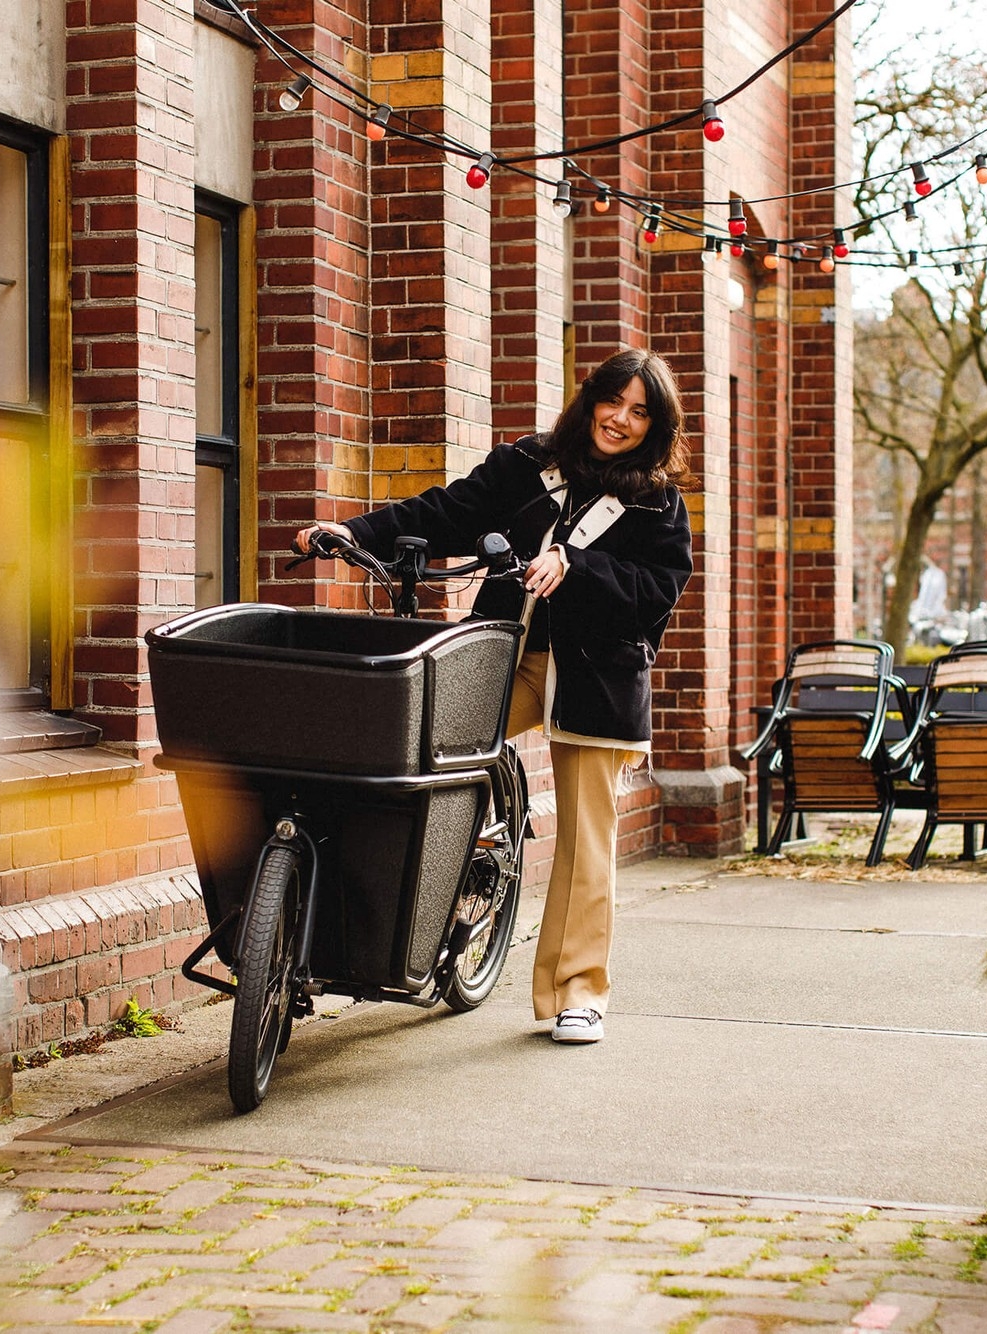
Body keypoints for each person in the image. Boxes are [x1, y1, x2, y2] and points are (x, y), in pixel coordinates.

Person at [295, 348, 694, 1045]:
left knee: (586, 841)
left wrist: (579, 566)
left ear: (655, 425)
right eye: (613, 402)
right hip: (505, 656)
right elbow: (447, 510)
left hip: (596, 681)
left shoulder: (656, 501)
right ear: (590, 398)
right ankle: (394, 920)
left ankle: (580, 992)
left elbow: (657, 593)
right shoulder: (527, 465)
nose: (621, 420)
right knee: (415, 747)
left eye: (639, 412)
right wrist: (352, 532)